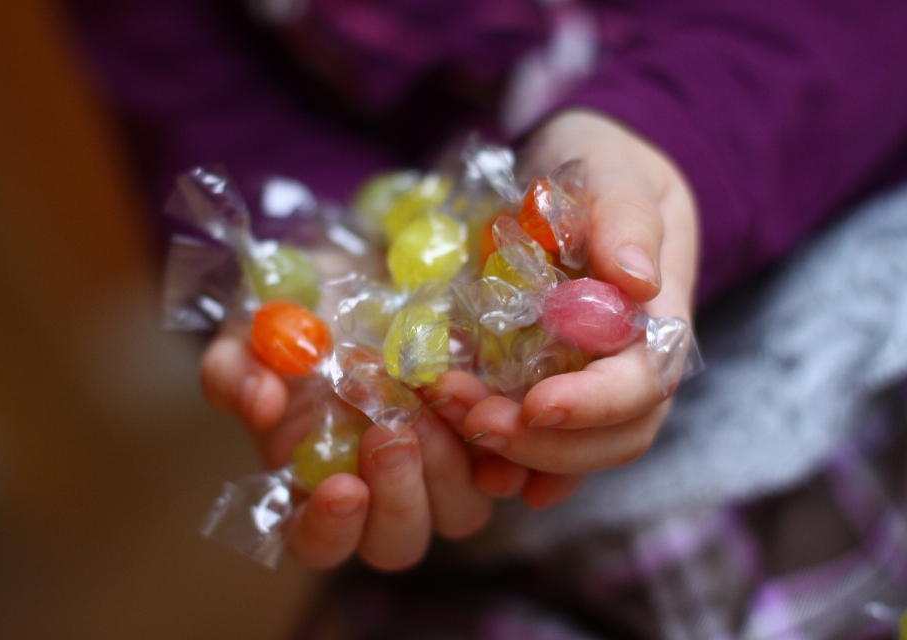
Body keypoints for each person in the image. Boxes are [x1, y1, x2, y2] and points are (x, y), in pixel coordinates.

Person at [66, 0, 907, 636]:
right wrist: (308, 254)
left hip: (860, 294)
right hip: (508, 478)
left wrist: (669, 143)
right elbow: (214, 113)